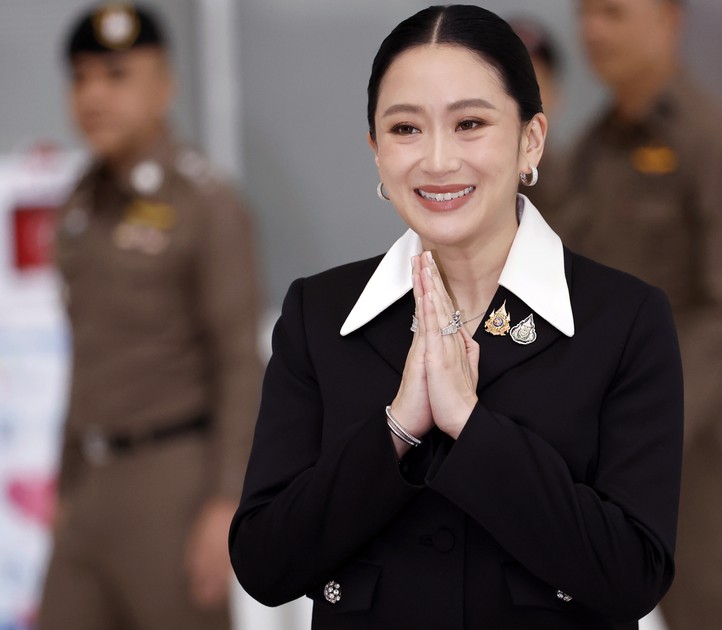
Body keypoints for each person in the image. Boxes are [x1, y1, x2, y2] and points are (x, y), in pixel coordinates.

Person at [230, 5, 683, 629]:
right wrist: (397, 430)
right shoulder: (321, 314)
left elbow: (633, 576)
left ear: (531, 139)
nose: (437, 160)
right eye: (405, 129)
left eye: (469, 123)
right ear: (375, 150)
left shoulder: (624, 319)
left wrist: (471, 426)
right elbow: (264, 565)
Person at [545, 2, 722, 629]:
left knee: (698, 601)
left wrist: (651, 417)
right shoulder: (593, 146)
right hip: (593, 423)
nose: (592, 30)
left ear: (668, 20)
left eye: (613, 12)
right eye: (585, 13)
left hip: (687, 429)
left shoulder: (716, 142)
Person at [40, 4, 263, 629]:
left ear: (164, 86)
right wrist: (66, 481)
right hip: (89, 485)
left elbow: (238, 361)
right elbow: (88, 354)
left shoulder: (206, 203)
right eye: (81, 78)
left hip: (173, 485)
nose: (93, 96)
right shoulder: (80, 205)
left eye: (116, 75)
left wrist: (228, 501)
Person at [508, 15, 567, 213]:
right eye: (508, 86)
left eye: (533, 87)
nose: (519, 101)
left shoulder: (581, 182)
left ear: (556, 95)